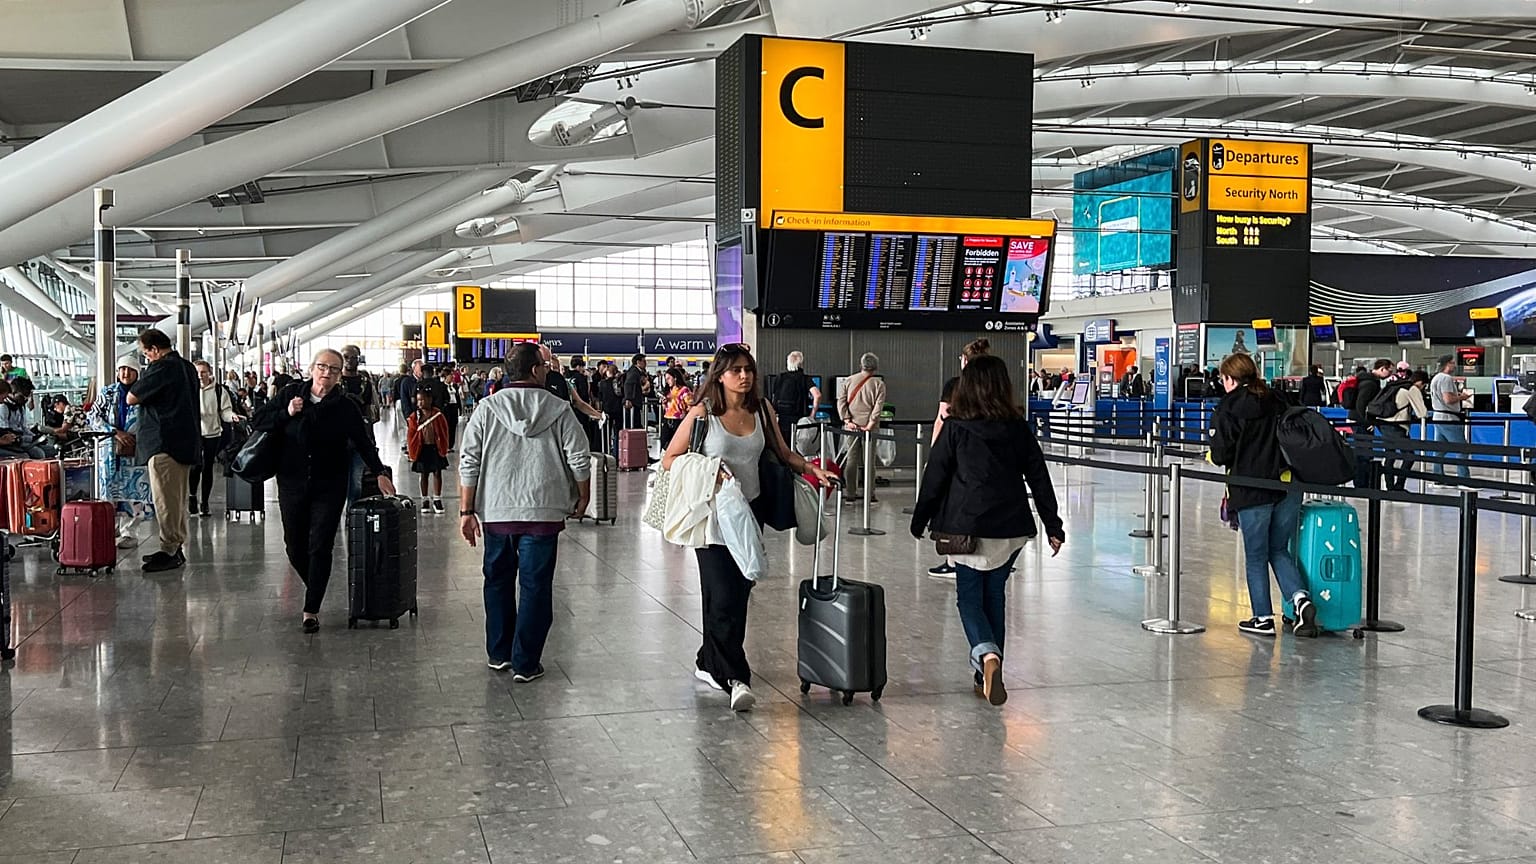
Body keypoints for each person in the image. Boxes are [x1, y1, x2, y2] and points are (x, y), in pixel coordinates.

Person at [662, 343, 836, 711]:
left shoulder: (762, 410)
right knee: (722, 593)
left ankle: (708, 662)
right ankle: (735, 677)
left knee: (738, 591)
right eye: (736, 370)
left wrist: (811, 469)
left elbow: (782, 452)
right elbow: (669, 459)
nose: (744, 376)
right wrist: (710, 472)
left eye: (748, 369)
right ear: (719, 375)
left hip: (750, 513)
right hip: (712, 516)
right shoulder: (702, 414)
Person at [910, 355, 1064, 705]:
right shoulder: (1017, 427)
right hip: (1010, 528)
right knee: (995, 596)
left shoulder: (955, 428)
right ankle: (987, 676)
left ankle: (987, 656)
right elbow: (1038, 477)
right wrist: (1053, 524)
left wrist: (920, 519)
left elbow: (935, 477)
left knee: (968, 597)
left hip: (967, 529)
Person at [458, 342, 591, 681]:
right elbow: (579, 458)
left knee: (498, 580)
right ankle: (526, 663)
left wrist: (465, 510)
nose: (548, 371)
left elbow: (468, 461)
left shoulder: (486, 409)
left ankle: (499, 653)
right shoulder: (559, 409)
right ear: (535, 370)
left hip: (497, 511)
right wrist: (583, 496)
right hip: (543, 511)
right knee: (535, 586)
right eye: (545, 367)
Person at [252, 349, 396, 632]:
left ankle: (311, 608)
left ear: (340, 374)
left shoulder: (346, 407)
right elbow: (258, 421)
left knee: (320, 545)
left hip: (329, 485)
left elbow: (364, 443)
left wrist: (379, 472)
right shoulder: (291, 394)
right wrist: (287, 413)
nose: (326, 373)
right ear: (311, 368)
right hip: (291, 481)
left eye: (333, 369)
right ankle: (316, 584)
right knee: (294, 546)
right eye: (322, 366)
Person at [1209, 352, 1320, 638]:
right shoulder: (1279, 398)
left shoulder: (1229, 407)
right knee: (1278, 548)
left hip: (1252, 489)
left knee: (1256, 555)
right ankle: (1300, 599)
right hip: (1288, 485)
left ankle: (1262, 617)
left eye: (1223, 379)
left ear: (1231, 379)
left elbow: (1221, 454)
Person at [126, 328, 200, 573]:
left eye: (146, 353)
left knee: (165, 500)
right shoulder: (187, 367)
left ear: (155, 349)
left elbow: (132, 397)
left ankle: (170, 549)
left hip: (163, 443)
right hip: (184, 443)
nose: (146, 358)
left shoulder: (161, 368)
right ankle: (175, 546)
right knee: (178, 500)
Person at [926, 338, 991, 579]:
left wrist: (935, 454)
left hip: (956, 452)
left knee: (953, 505)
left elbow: (942, 418)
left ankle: (954, 560)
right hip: (986, 455)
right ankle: (990, 559)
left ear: (964, 360)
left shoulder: (955, 385)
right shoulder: (993, 387)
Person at [89, 357, 155, 547]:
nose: (125, 373)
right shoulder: (108, 392)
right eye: (122, 369)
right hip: (109, 450)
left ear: (137, 372)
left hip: (136, 450)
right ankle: (108, 528)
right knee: (108, 491)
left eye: (130, 370)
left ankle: (129, 532)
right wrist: (115, 432)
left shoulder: (145, 394)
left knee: (134, 492)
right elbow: (93, 416)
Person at [188, 360, 241, 518]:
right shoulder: (189, 389)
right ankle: (192, 496)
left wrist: (232, 417)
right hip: (195, 435)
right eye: (197, 372)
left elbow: (225, 410)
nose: (200, 376)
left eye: (203, 372)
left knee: (207, 466)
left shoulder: (219, 390)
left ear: (209, 372)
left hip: (212, 433)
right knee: (195, 467)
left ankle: (205, 503)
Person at [836, 352, 888, 505]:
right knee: (869, 461)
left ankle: (850, 494)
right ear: (875, 367)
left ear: (861, 365)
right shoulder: (879, 384)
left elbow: (841, 401)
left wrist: (847, 419)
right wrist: (871, 424)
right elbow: (878, 407)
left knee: (851, 460)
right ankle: (869, 494)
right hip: (870, 428)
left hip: (851, 426)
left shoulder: (849, 380)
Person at [1377, 370, 1429, 492]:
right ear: (1421, 382)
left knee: (1390, 455)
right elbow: (1423, 412)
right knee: (1409, 456)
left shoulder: (1398, 385)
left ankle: (1390, 487)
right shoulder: (1412, 389)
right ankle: (1399, 485)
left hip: (1383, 423)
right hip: (1396, 426)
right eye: (1424, 386)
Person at [1348, 359, 1394, 489]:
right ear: (1382, 369)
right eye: (1389, 370)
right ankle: (1362, 483)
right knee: (1364, 451)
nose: (1390, 374)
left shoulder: (1366, 380)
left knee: (1362, 451)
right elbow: (1361, 404)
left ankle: (1362, 482)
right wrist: (1367, 421)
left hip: (1357, 419)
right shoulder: (1370, 384)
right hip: (1361, 421)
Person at [1429, 354, 1474, 485]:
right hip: (1449, 418)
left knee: (1440, 451)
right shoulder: (1446, 379)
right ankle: (1464, 480)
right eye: (1453, 363)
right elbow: (1448, 399)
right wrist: (1462, 398)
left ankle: (1438, 478)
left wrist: (1456, 395)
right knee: (1462, 449)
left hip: (1438, 417)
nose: (1455, 365)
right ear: (1447, 364)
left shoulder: (1435, 378)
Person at [407, 388, 450, 513]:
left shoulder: (438, 415)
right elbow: (411, 435)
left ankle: (437, 498)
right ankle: (424, 499)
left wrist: (443, 445)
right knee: (424, 474)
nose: (420, 403)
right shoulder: (414, 417)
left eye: (423, 400)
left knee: (437, 473)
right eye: (418, 400)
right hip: (422, 449)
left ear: (430, 400)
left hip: (435, 448)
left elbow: (444, 432)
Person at [770, 351, 822, 447]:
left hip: (782, 419)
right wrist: (812, 415)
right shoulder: (805, 379)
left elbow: (774, 397)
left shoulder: (780, 377)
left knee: (784, 447)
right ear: (801, 363)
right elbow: (817, 395)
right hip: (800, 420)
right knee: (798, 448)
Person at [660, 366, 693, 449]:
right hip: (667, 418)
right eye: (666, 379)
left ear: (675, 378)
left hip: (678, 420)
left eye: (669, 378)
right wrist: (664, 403)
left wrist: (685, 415)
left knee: (677, 444)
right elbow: (666, 407)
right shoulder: (668, 391)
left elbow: (690, 405)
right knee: (664, 442)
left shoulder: (684, 390)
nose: (667, 381)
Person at [623, 354, 648, 429]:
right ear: (638, 362)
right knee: (633, 423)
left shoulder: (636, 371)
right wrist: (628, 398)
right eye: (644, 361)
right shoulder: (634, 372)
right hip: (633, 403)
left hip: (634, 402)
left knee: (635, 423)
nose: (645, 363)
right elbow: (629, 384)